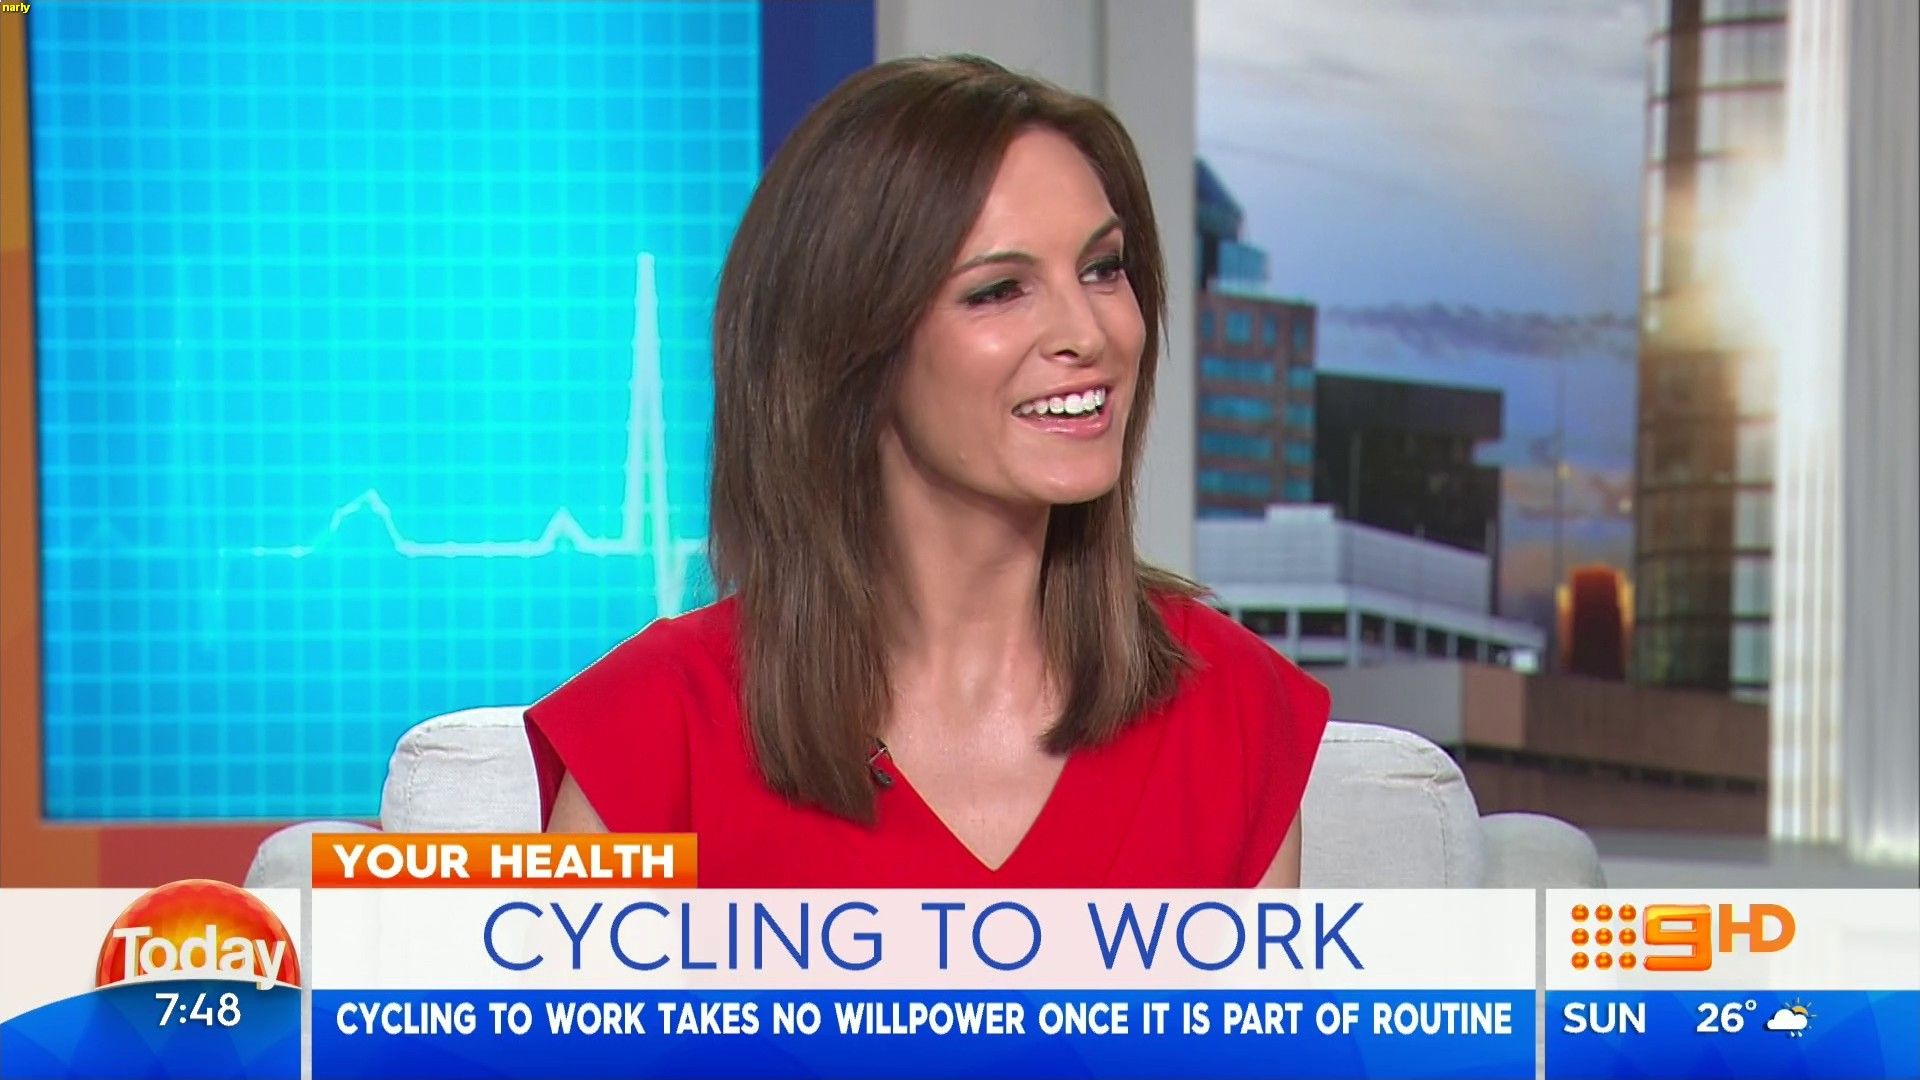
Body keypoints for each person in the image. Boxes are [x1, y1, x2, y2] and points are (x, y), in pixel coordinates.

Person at [526, 55, 1329, 887]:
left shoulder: (1234, 711)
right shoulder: (649, 732)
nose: (1089, 334)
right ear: (851, 346)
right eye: (999, 289)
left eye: (1102, 269)